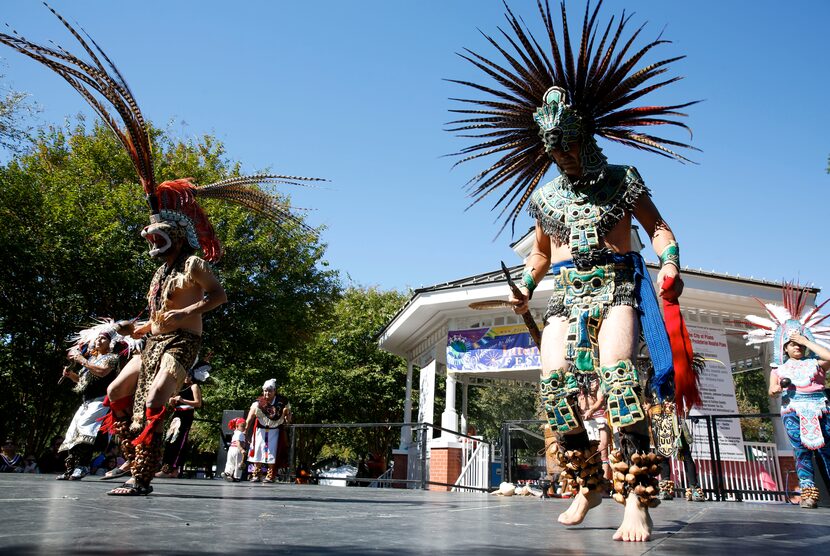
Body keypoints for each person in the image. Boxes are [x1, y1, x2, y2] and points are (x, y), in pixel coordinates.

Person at [0, 5, 321, 497]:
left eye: (155, 233)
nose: (148, 239)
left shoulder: (193, 264)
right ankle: (130, 456)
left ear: (175, 230)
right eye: (147, 235)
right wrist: (128, 326)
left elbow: (218, 297)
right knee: (115, 391)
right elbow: (154, 316)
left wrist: (187, 311)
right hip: (152, 342)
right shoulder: (158, 276)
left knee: (155, 395)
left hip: (180, 346)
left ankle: (143, 475)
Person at [448, 2, 699, 542]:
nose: (561, 156)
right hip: (566, 295)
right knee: (556, 387)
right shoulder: (546, 198)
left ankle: (637, 499)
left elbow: (660, 231)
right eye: (552, 149)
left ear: (583, 135)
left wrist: (670, 264)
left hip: (616, 289)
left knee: (620, 381)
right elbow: (540, 255)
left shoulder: (623, 179)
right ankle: (588, 482)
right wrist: (528, 286)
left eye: (566, 145)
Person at [744, 286, 830, 508]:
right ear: (784, 347)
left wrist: (806, 340)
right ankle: (809, 492)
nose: (798, 347)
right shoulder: (779, 369)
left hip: (820, 408)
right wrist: (776, 390)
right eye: (793, 344)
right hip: (793, 410)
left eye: (800, 344)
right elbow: (772, 389)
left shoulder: (815, 363)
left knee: (827, 451)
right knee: (801, 452)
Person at [57, 327, 121, 480]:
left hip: (100, 401)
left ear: (111, 343)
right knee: (73, 432)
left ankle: (83, 466)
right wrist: (71, 375)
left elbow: (101, 372)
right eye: (97, 338)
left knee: (86, 430)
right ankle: (70, 468)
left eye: (103, 338)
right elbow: (82, 381)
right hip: (86, 401)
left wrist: (81, 360)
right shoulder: (91, 360)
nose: (99, 340)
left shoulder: (112, 358)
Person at [156, 359, 210, 479]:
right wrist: (172, 402)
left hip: (186, 415)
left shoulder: (194, 386)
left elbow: (198, 403)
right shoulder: (179, 387)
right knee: (170, 440)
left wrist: (182, 400)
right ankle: (168, 468)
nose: (185, 378)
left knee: (179, 440)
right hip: (176, 415)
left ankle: (171, 469)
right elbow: (173, 403)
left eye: (187, 375)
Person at [246, 379, 292, 483]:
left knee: (272, 453)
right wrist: (246, 432)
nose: (267, 393)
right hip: (260, 431)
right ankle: (256, 473)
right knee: (257, 451)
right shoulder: (258, 404)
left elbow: (288, 419)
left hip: (275, 430)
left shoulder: (282, 402)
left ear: (275, 391)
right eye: (265, 391)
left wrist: (287, 414)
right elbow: (249, 419)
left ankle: (270, 474)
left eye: (270, 391)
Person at [223, 418, 247, 482]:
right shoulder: (240, 433)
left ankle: (228, 473)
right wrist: (242, 449)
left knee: (230, 462)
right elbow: (238, 442)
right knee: (238, 463)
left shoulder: (235, 433)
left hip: (231, 449)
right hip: (237, 450)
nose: (244, 428)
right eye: (242, 426)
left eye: (245, 426)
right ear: (237, 426)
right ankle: (237, 476)